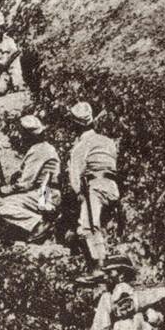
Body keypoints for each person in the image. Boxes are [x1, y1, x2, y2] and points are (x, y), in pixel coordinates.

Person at [0, 115, 60, 243]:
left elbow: (26, 184)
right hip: (47, 192)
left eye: (22, 134)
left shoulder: (38, 150)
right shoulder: (45, 148)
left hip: (45, 193)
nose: (20, 137)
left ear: (28, 135)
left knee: (0, 204)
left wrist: (5, 190)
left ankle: (39, 224)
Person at [66, 102, 120, 269]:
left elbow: (75, 176)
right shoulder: (108, 141)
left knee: (87, 227)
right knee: (102, 226)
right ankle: (110, 263)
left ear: (75, 125)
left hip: (94, 186)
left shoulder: (80, 146)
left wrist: (78, 194)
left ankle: (98, 267)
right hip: (112, 186)